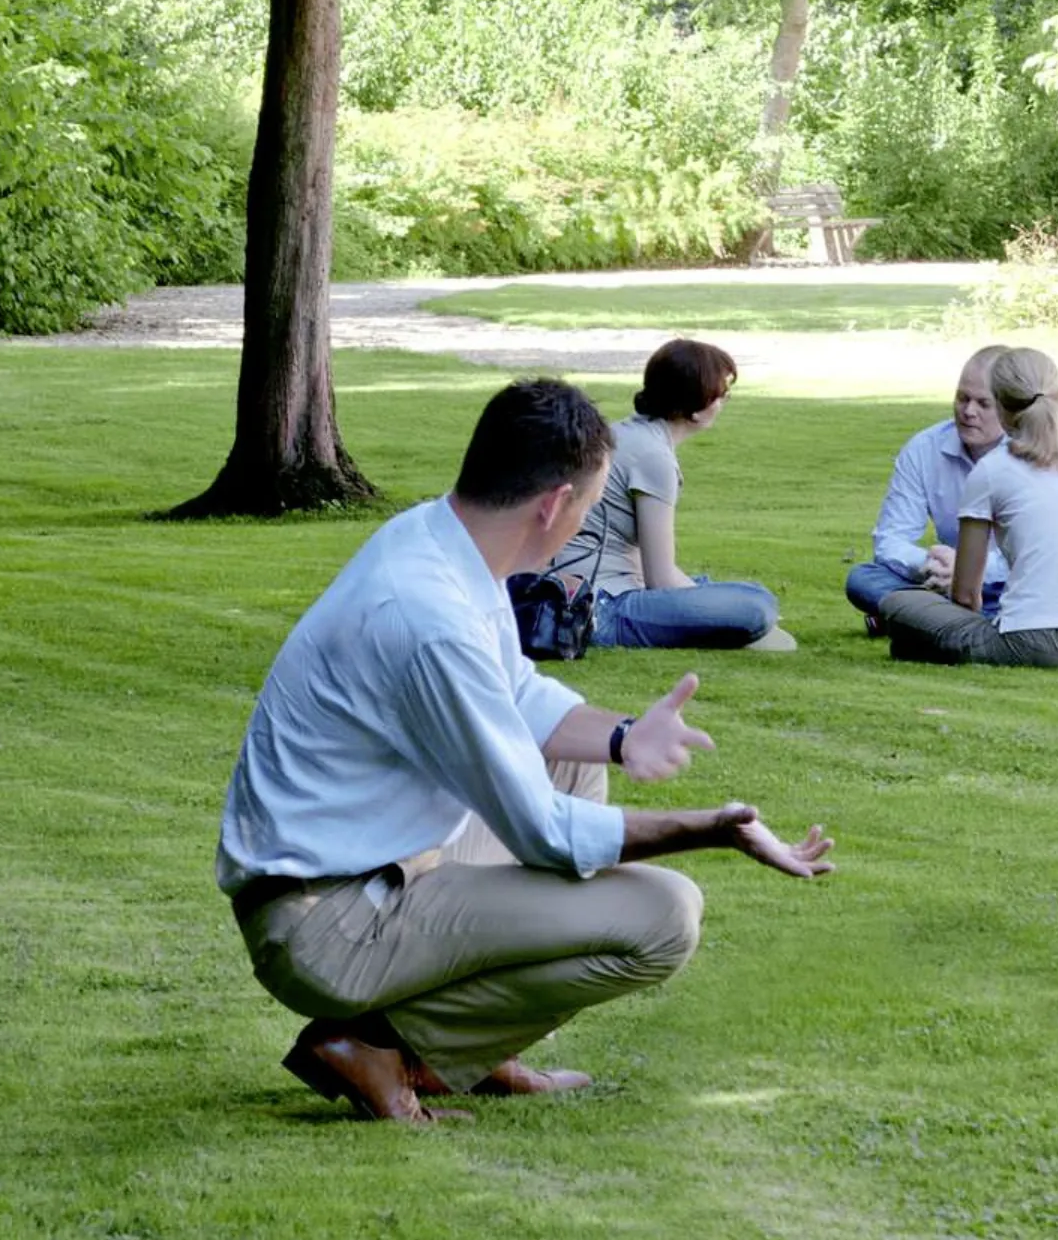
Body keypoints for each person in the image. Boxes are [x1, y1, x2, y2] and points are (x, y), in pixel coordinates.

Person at [217, 377, 835, 1125]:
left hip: (366, 867)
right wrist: (713, 826)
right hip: (325, 923)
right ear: (553, 505)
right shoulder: (430, 614)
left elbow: (515, 689)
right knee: (666, 912)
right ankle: (381, 1043)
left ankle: (473, 1045)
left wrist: (622, 736)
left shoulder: (439, 540)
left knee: (577, 759)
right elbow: (540, 829)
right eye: (588, 504)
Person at [872, 346, 1058, 668]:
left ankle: (915, 643)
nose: (969, 411)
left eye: (983, 402)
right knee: (871, 580)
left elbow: (965, 597)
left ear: (1002, 406)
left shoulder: (993, 469)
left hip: (1029, 640)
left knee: (898, 602)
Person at [552, 338, 795, 652]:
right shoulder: (654, 458)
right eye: (721, 395)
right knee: (757, 604)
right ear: (695, 407)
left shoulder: (625, 433)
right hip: (601, 608)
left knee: (731, 592)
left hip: (576, 591)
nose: (723, 403)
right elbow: (661, 578)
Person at [843, 345, 1012, 629]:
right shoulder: (924, 448)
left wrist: (969, 572)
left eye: (983, 404)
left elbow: (1040, 554)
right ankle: (954, 620)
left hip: (1007, 583)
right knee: (863, 579)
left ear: (1009, 409)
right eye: (962, 398)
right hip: (940, 579)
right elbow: (890, 541)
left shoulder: (1031, 455)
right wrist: (933, 564)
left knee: (1040, 589)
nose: (968, 411)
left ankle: (919, 618)